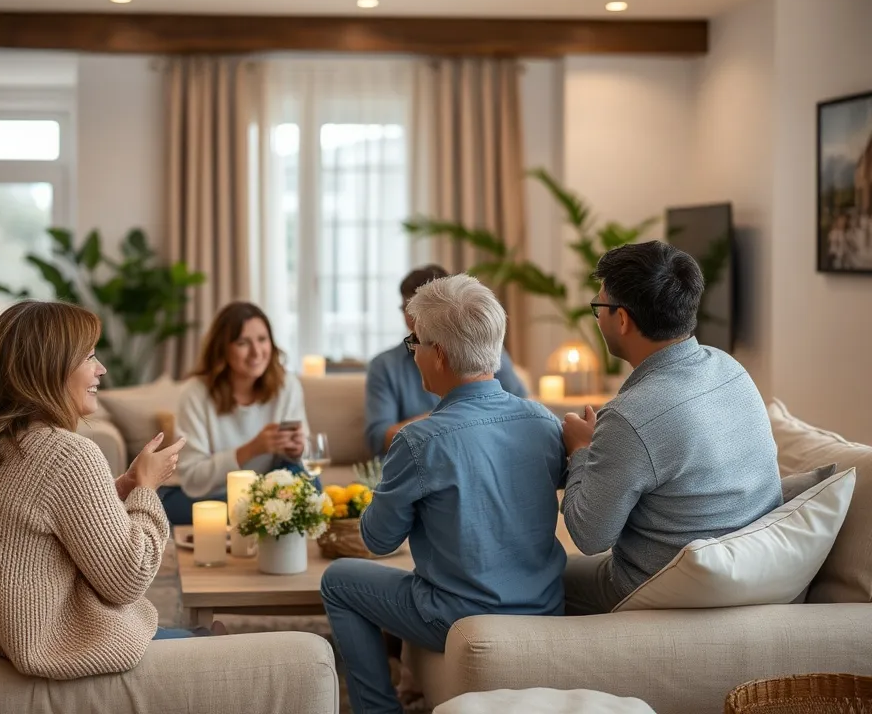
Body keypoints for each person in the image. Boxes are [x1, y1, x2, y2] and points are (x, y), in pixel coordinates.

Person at [0, 301, 216, 681]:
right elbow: (128, 579)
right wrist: (146, 488)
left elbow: (28, 520)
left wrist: (122, 487)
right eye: (90, 357)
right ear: (50, 367)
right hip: (61, 648)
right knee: (210, 640)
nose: (101, 369)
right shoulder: (67, 454)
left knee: (201, 636)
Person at [321, 274, 567, 714]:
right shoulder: (545, 421)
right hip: (544, 607)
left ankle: (378, 709)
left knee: (338, 579)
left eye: (414, 342)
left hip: (457, 616)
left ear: (437, 354)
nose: (411, 353)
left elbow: (378, 541)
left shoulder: (420, 441)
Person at [561, 241, 782, 615]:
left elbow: (589, 536)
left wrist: (580, 451)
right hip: (751, 572)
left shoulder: (630, 417)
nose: (597, 318)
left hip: (658, 588)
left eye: (599, 307)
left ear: (622, 319)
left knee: (529, 578)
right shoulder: (730, 369)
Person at [160, 301, 312, 525]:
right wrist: (251, 450)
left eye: (262, 339)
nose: (256, 352)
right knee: (203, 509)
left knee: (309, 486)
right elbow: (192, 479)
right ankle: (258, 517)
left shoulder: (286, 385)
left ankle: (256, 516)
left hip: (263, 494)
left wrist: (299, 448)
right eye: (243, 343)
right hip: (205, 495)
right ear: (223, 348)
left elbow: (304, 459)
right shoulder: (195, 393)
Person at [365, 264, 528, 457]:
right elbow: (378, 438)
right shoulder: (384, 365)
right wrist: (451, 419)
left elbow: (519, 410)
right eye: (405, 309)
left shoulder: (488, 350)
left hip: (479, 453)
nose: (411, 318)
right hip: (416, 458)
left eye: (417, 309)